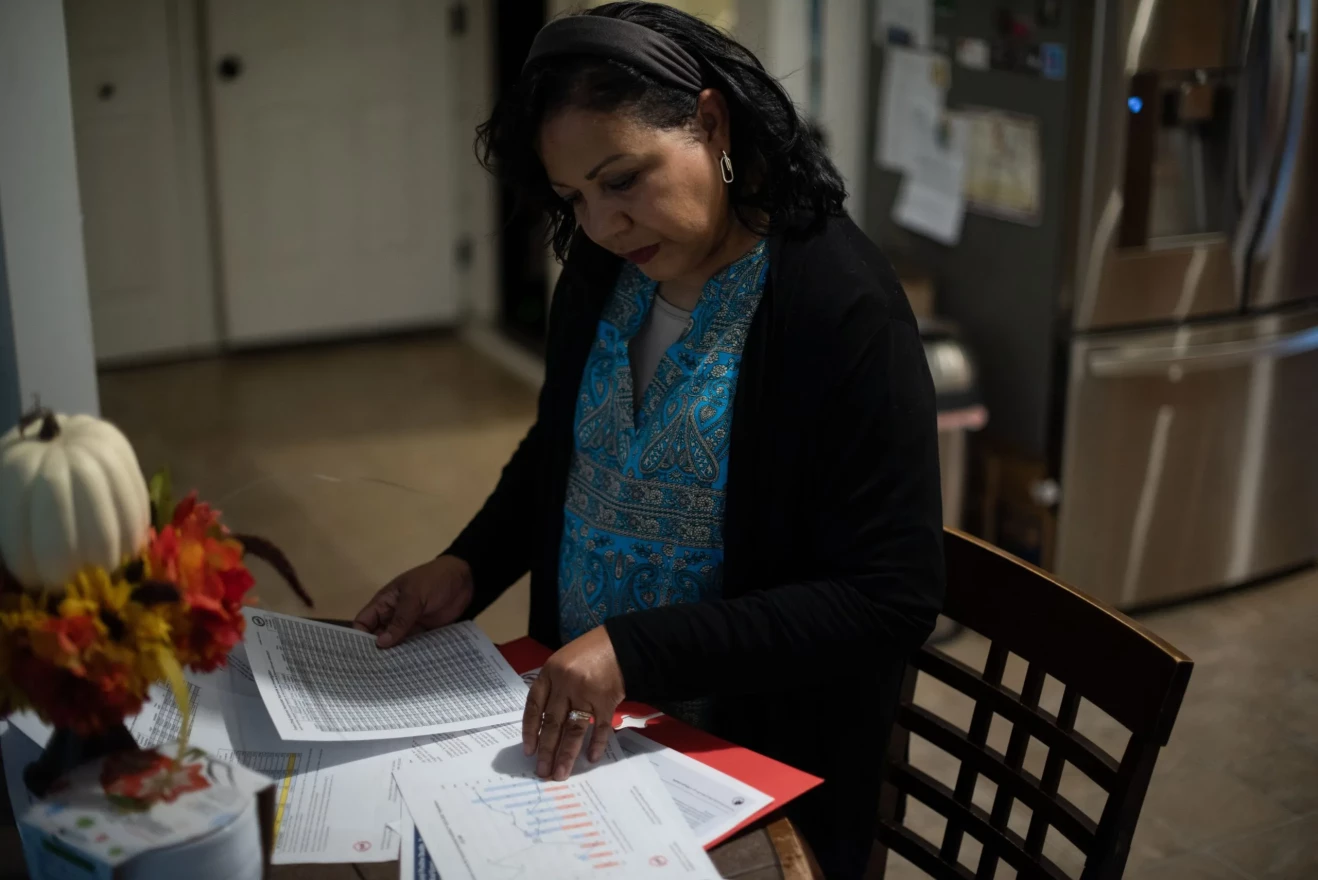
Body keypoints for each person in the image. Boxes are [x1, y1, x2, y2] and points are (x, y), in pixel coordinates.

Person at [353, 3, 944, 875]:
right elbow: (569, 452)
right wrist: (470, 564)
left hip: (744, 776)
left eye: (622, 180)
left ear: (709, 122)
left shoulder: (838, 306)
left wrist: (638, 648)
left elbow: (891, 597)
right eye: (574, 198)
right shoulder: (607, 271)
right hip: (586, 754)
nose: (599, 225)